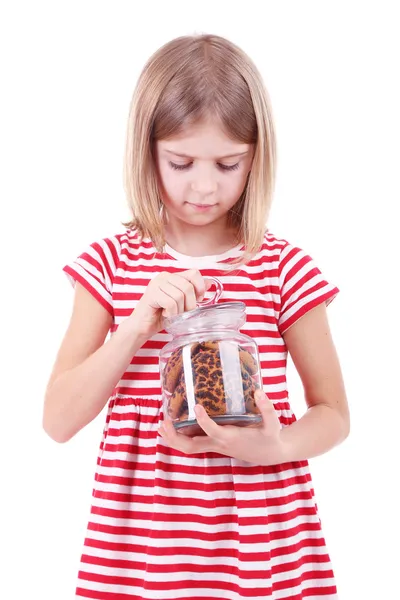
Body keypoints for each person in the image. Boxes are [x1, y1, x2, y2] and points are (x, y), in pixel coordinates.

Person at [43, 33, 350, 600]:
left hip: (261, 538)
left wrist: (278, 446)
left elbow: (333, 413)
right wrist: (136, 324)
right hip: (141, 547)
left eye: (229, 163)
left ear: (256, 157)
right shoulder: (110, 264)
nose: (205, 186)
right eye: (181, 162)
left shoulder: (283, 268)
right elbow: (58, 421)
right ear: (147, 151)